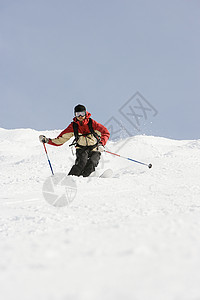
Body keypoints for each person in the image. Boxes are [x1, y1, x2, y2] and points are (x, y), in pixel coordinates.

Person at [39, 104, 110, 177]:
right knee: (81, 163)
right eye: (78, 114)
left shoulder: (92, 124)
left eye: (82, 114)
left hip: (95, 148)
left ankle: (86, 178)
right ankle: (70, 178)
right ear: (75, 115)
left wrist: (101, 144)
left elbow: (105, 132)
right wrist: (47, 140)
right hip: (81, 148)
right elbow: (61, 139)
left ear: (85, 113)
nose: (80, 116)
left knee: (92, 162)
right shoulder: (73, 126)